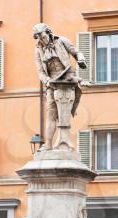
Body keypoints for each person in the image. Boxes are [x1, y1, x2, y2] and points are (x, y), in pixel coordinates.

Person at [33, 23, 87, 151]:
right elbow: (40, 72)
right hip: (52, 83)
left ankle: (64, 142)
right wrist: (47, 81)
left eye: (42, 36)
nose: (41, 39)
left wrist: (81, 59)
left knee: (65, 114)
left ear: (48, 32)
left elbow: (76, 52)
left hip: (67, 78)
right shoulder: (38, 50)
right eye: (38, 37)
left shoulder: (62, 41)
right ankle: (48, 144)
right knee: (51, 114)